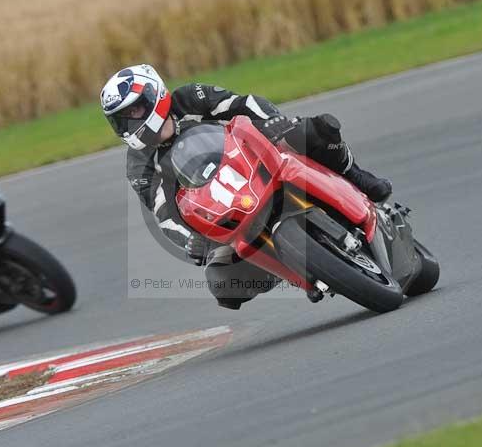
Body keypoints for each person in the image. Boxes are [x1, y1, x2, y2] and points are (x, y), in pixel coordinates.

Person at [101, 64, 392, 309]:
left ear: (155, 95)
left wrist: (274, 123)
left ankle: (356, 176)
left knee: (316, 131)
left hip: (257, 162)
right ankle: (291, 267)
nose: (129, 122)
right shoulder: (139, 165)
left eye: (134, 110)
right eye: (120, 119)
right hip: (225, 211)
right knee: (222, 284)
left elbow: (244, 104)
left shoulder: (190, 98)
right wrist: (190, 241)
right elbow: (163, 212)